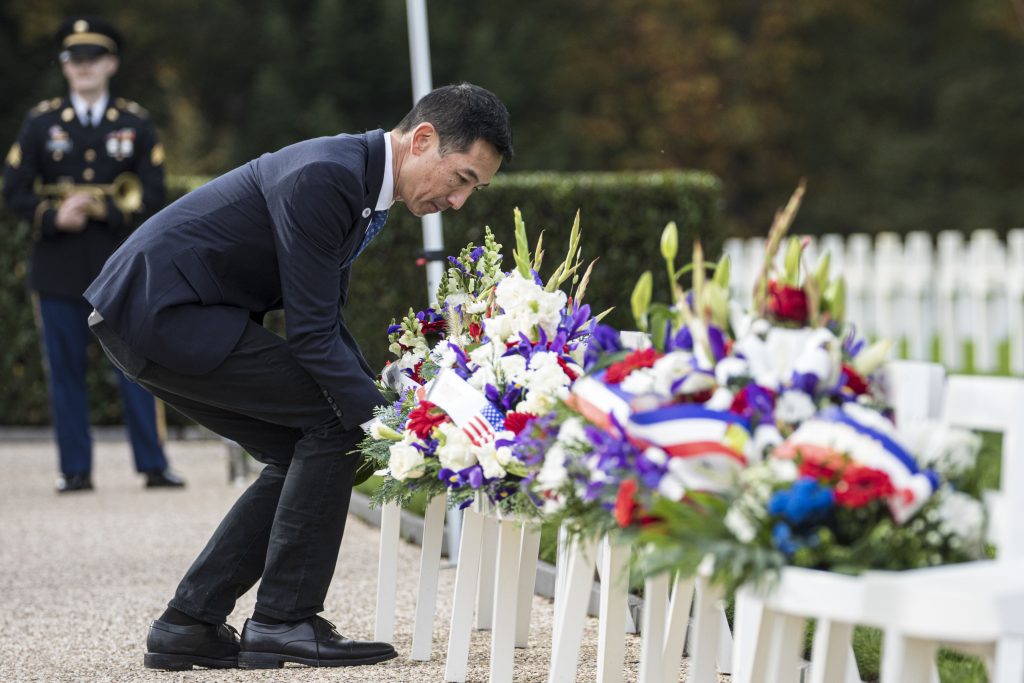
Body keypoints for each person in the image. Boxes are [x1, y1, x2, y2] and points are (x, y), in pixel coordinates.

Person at [84, 83, 513, 670]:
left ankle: (189, 623)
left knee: (305, 447)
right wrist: (391, 426)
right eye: (462, 178)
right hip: (163, 312)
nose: (461, 201)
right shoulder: (328, 176)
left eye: (474, 189)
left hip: (161, 313)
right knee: (336, 432)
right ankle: (284, 620)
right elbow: (310, 335)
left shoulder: (359, 181)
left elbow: (325, 324)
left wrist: (394, 405)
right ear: (423, 140)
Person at [2, 15, 184, 493]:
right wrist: (50, 216)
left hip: (120, 265)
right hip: (57, 267)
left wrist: (103, 210)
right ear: (65, 67)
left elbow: (156, 191)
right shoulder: (41, 123)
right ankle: (75, 470)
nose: (82, 67)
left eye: (92, 58)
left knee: (138, 368)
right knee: (65, 373)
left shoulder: (134, 123)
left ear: (111, 63)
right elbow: (13, 191)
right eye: (73, 59)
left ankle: (153, 465)